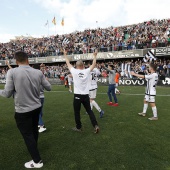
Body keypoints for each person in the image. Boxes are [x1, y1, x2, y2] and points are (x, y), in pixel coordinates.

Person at [0, 51, 51, 168]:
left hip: (23, 111)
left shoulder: (12, 72)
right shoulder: (38, 72)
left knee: (28, 135)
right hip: (36, 107)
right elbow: (49, 87)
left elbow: (7, 93)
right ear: (28, 60)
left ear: (16, 61)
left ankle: (37, 161)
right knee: (33, 132)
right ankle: (34, 149)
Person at [64, 49, 99, 133]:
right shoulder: (86, 71)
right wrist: (94, 56)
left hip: (77, 96)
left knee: (77, 112)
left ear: (76, 66)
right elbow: (94, 64)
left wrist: (65, 54)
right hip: (86, 95)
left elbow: (68, 63)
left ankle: (79, 127)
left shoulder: (74, 71)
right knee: (89, 111)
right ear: (83, 65)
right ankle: (95, 125)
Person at [34, 64, 47, 133]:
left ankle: (41, 125)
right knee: (40, 111)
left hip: (37, 96)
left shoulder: (34, 76)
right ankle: (39, 124)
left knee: (37, 112)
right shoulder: (42, 76)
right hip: (42, 96)